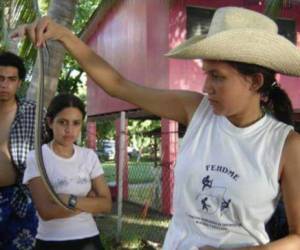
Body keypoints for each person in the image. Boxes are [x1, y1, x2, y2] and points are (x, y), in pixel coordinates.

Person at [12, 6, 300, 250]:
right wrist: (64, 36)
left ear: (255, 82)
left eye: (218, 77)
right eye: (206, 74)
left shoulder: (286, 145)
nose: (205, 87)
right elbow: (118, 85)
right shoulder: (194, 110)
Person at [23, 93, 112, 250]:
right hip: (51, 242)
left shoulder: (89, 156)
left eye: (76, 123)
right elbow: (46, 212)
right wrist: (89, 203)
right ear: (50, 122)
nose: (69, 130)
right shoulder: (36, 157)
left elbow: (106, 204)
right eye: (63, 122)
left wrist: (70, 200)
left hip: (89, 239)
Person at [0, 51, 46, 250]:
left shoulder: (33, 112)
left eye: (11, 79)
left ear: (19, 83)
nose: (4, 84)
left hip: (21, 199)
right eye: (0, 78)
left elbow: (54, 148)